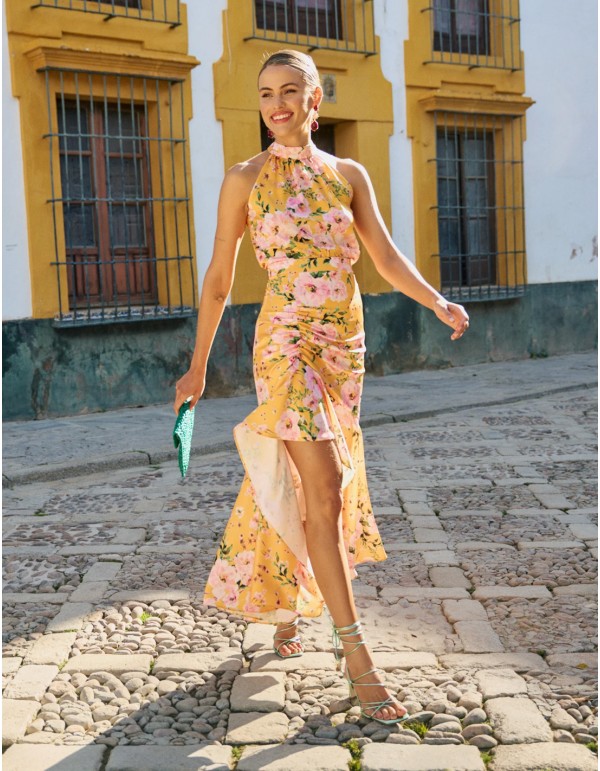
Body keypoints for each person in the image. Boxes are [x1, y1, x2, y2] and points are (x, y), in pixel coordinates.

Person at [174, 49, 469, 725]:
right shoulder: (244, 180)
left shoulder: (348, 174)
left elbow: (386, 257)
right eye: (266, 93)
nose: (277, 104)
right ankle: (356, 656)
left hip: (344, 347)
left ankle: (285, 594)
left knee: (307, 484)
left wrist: (436, 301)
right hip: (285, 345)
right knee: (328, 484)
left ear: (316, 100)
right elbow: (219, 278)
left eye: (290, 91)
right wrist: (197, 366)